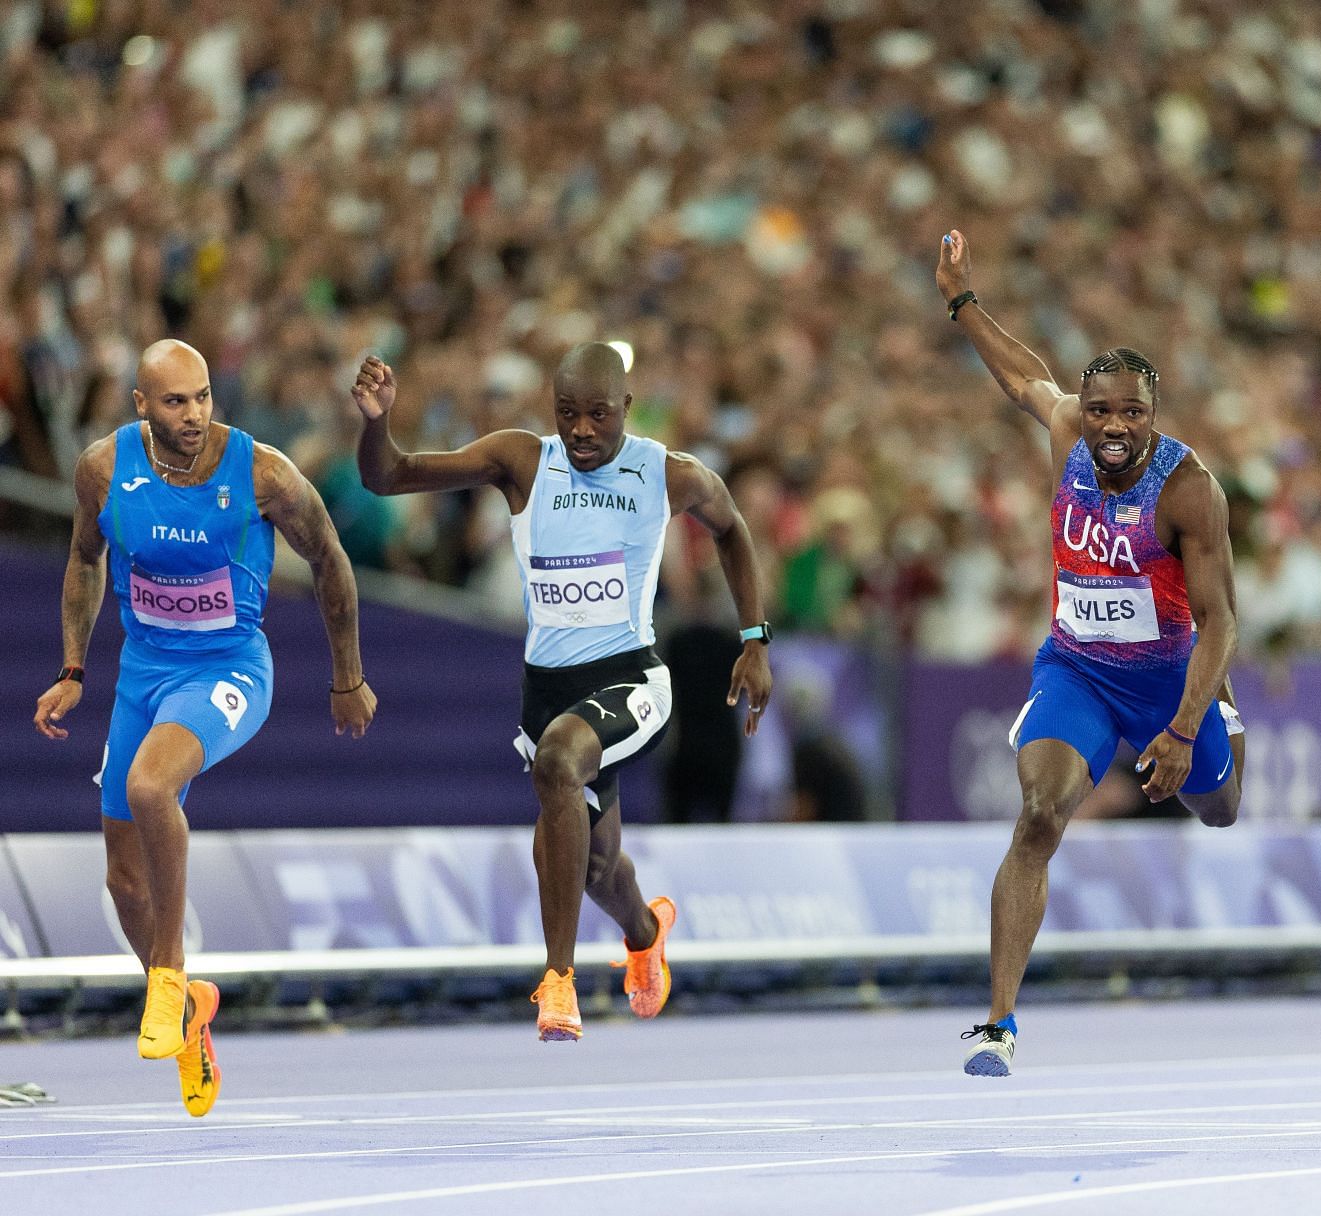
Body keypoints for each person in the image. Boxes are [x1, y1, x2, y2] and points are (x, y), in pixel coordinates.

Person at [352, 343, 773, 1041]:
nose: (581, 430)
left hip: (632, 679)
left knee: (558, 761)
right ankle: (644, 932)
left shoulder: (669, 474)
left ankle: (558, 980)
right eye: (567, 414)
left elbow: (732, 532)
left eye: (598, 416)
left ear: (626, 411)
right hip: (548, 689)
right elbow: (386, 477)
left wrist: (754, 638)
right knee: (597, 866)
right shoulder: (521, 460)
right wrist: (376, 422)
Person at [32, 339, 377, 1118]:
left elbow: (329, 560)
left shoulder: (263, 474)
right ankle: (191, 1014)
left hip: (229, 670)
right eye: (176, 402)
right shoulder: (101, 468)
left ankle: (167, 976)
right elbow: (85, 560)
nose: (195, 415)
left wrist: (347, 677)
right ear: (141, 407)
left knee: (153, 785)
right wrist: (73, 668)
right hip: (144, 676)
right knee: (122, 882)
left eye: (203, 397)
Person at [935, 229, 1244, 1076]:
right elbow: (1017, 375)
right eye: (1101, 409)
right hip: (1076, 669)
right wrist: (962, 300)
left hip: (1169, 682)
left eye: (1132, 414)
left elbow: (1221, 622)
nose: (1113, 427)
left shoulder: (1189, 491)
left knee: (1221, 810)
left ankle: (1226, 719)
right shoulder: (1067, 430)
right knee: (1039, 814)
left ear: (1156, 417)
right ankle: (997, 1024)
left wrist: (1184, 730)